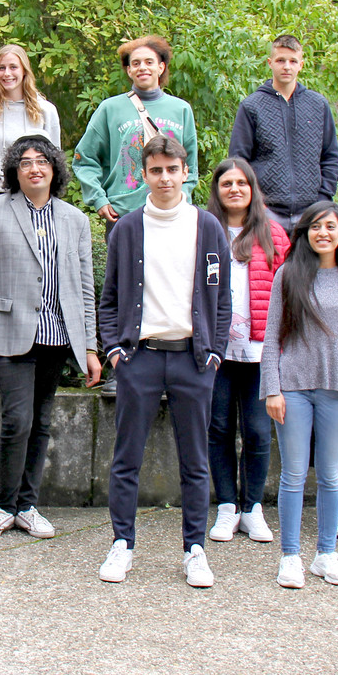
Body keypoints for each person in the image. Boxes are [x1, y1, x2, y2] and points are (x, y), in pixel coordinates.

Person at [97, 135, 229, 589]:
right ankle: (122, 544)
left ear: (185, 170)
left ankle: (195, 549)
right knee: (126, 458)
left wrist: (214, 353)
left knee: (195, 461)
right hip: (141, 358)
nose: (165, 178)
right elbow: (110, 297)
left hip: (194, 360)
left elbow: (222, 298)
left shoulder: (207, 226)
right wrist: (115, 350)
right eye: (156, 170)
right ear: (144, 174)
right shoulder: (129, 228)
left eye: (173, 169)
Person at [0, 136, 100, 541]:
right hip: (8, 335)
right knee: (17, 420)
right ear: (15, 171)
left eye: (42, 161)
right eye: (25, 162)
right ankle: (3, 506)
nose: (34, 168)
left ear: (55, 168)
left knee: (41, 422)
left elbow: (84, 289)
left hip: (57, 336)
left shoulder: (74, 220)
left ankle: (27, 505)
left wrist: (90, 348)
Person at [73, 35, 199, 398]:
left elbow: (189, 165)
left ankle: (168, 370)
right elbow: (85, 157)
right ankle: (120, 364)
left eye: (149, 62)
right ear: (128, 70)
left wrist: (183, 198)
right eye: (135, 63)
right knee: (124, 291)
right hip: (126, 218)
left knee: (168, 290)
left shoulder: (181, 110)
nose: (142, 68)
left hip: (171, 218)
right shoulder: (111, 109)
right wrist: (98, 198)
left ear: (162, 67)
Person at [260, 201, 338, 589]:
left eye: (330, 226)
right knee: (293, 475)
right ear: (305, 233)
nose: (322, 233)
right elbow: (271, 337)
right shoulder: (288, 275)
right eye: (314, 226)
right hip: (293, 388)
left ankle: (327, 554)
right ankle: (290, 556)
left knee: (331, 476)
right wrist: (271, 389)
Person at [0, 44, 61, 394]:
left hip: (36, 202)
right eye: (1, 67)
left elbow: (54, 157)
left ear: (25, 70)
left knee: (30, 278)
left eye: (13, 67)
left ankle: (34, 351)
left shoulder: (45, 111)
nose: (7, 74)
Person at [204, 158, 289, 545]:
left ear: (252, 189)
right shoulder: (204, 230)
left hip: (260, 353)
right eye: (226, 183)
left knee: (257, 431)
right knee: (218, 428)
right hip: (215, 351)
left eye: (241, 182)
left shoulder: (273, 233)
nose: (234, 189)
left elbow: (289, 293)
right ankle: (226, 506)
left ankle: (252, 506)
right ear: (217, 191)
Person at [228, 35, 338, 234]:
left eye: (292, 61)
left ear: (301, 65)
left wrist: (323, 200)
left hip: (311, 211)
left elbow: (330, 156)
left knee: (306, 266)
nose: (286, 66)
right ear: (270, 63)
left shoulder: (318, 105)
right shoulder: (252, 106)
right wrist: (256, 204)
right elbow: (238, 161)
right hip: (266, 212)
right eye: (280, 60)